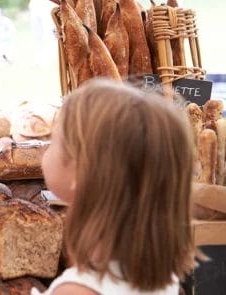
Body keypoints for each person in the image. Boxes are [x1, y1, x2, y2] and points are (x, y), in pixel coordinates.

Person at [38, 79, 196, 294]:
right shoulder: (164, 278)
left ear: (81, 169)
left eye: (53, 140)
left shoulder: (76, 291)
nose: (45, 148)